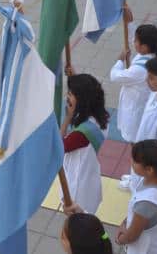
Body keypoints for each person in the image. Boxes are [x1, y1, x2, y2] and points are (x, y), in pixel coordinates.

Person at [116, 140, 157, 253]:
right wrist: (124, 223)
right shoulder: (156, 179)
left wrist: (120, 240)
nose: (131, 162)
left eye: (135, 161)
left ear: (149, 169)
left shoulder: (147, 203)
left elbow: (132, 236)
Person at [110, 18, 157, 144]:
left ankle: (135, 162)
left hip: (135, 110)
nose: (133, 42)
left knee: (135, 141)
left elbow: (114, 76)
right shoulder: (152, 56)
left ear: (144, 47)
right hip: (142, 103)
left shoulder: (139, 70)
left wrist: (120, 60)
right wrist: (129, 22)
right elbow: (136, 38)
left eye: (136, 41)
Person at [60, 73, 109, 214]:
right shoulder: (102, 117)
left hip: (77, 187)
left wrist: (68, 117)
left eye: (70, 94)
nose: (67, 97)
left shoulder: (81, 134)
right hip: (90, 177)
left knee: (77, 226)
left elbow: (58, 147)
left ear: (82, 99)